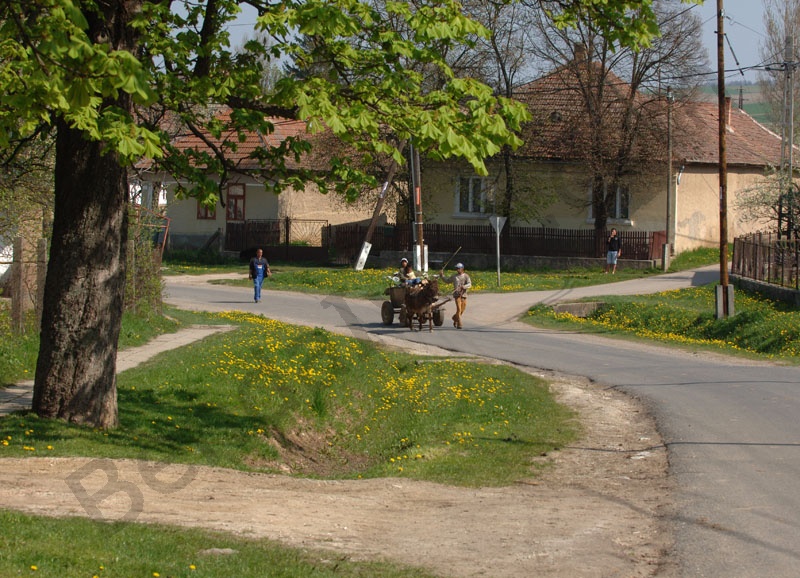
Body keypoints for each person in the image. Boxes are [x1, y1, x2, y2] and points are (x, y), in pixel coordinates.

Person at [440, 262, 471, 329]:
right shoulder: (454, 276)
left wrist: (464, 286)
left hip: (464, 295)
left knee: (462, 310)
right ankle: (459, 324)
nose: (457, 270)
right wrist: (442, 276)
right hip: (457, 295)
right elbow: (447, 281)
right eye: (456, 268)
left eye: (458, 268)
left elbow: (469, 284)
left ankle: (454, 318)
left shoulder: (466, 276)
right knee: (459, 309)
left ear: (462, 269)